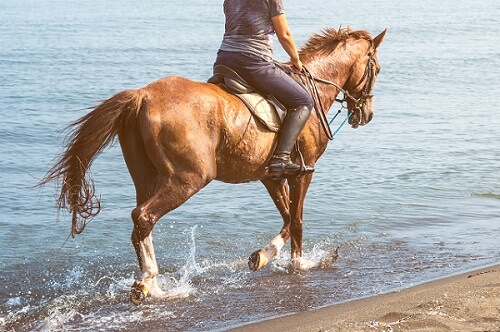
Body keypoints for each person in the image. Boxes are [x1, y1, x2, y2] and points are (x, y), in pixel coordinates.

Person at [214, 0, 315, 178]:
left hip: (224, 59)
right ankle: (281, 159)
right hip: (252, 62)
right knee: (303, 101)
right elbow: (284, 34)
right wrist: (296, 60)